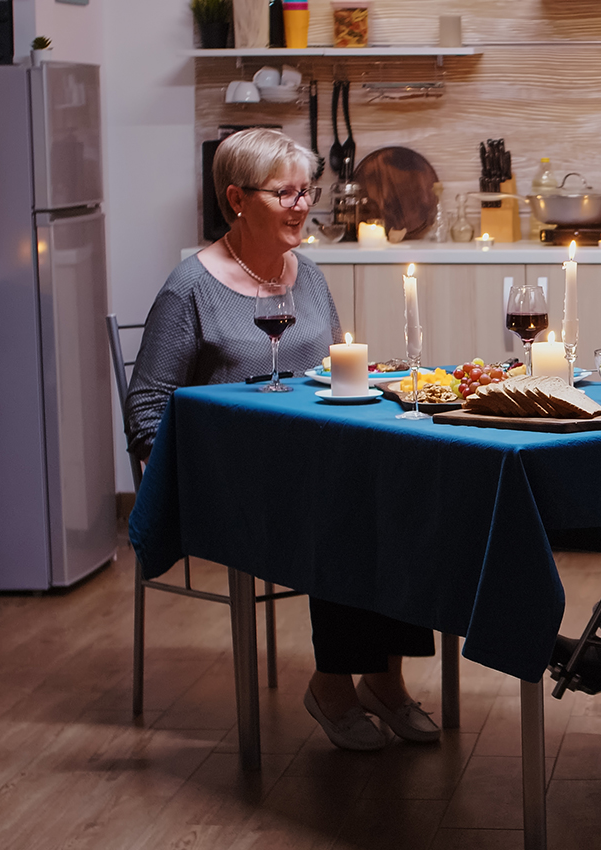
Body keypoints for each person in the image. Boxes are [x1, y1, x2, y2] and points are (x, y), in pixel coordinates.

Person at [125, 128, 438, 752]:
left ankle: (383, 677)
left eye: (307, 191)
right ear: (236, 199)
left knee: (403, 491)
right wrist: (209, 464)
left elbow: (336, 367)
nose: (303, 205)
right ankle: (332, 685)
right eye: (285, 193)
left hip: (312, 463)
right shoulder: (189, 288)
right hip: (232, 482)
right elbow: (147, 409)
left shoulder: (310, 275)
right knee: (349, 510)